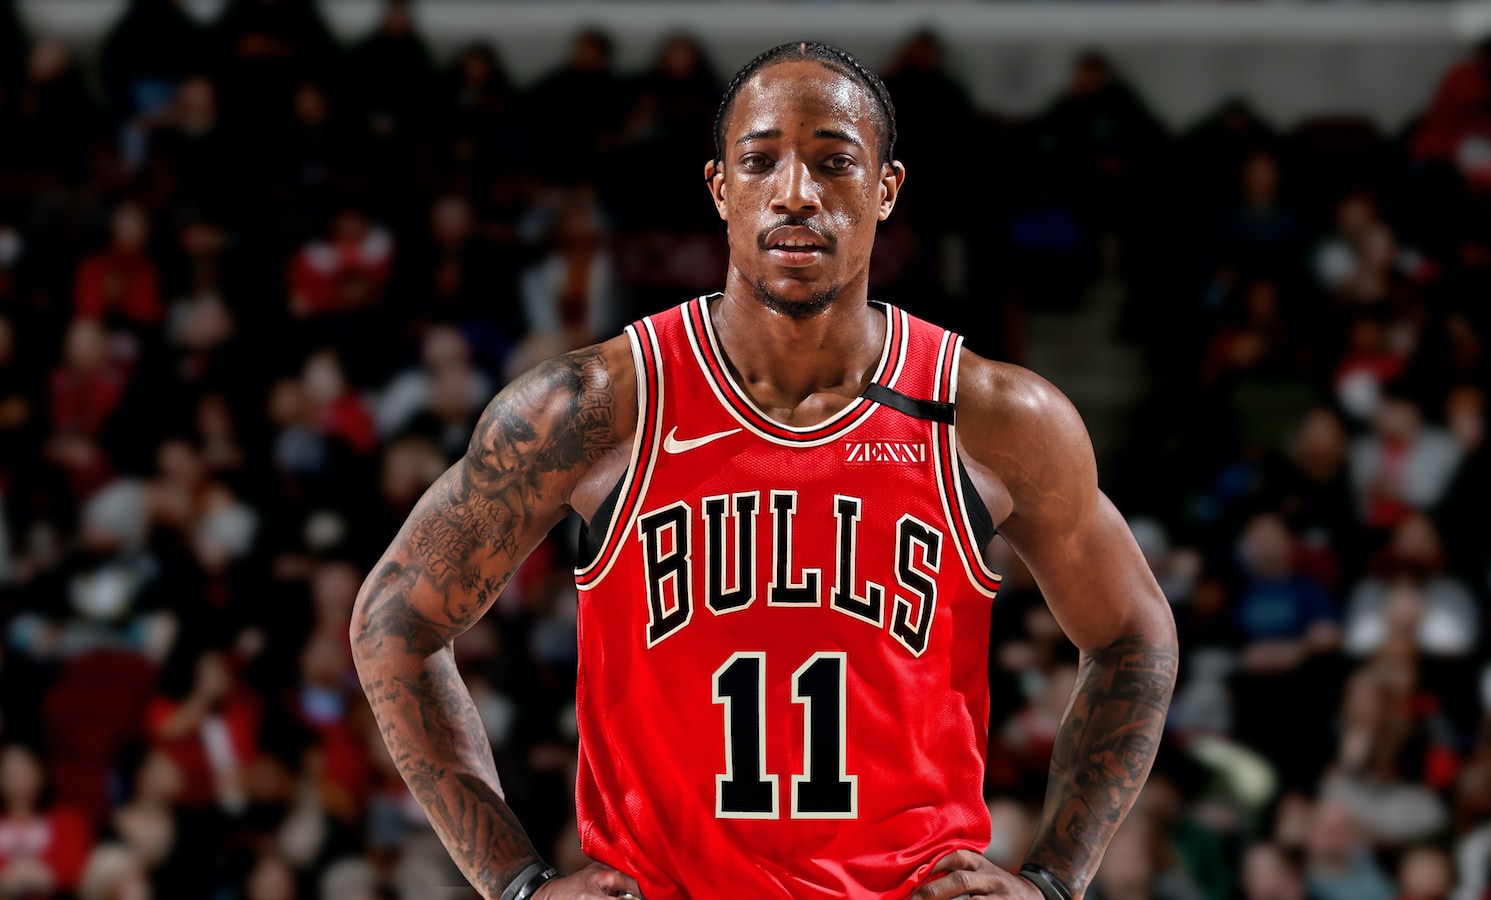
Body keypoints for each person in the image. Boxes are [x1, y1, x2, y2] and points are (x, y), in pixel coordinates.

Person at [351, 41, 1177, 900]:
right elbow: (391, 624)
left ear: (886, 190)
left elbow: (1133, 635)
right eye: (760, 161)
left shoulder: (995, 417)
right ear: (720, 188)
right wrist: (516, 884)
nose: (794, 192)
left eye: (833, 161)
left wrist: (1052, 882)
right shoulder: (597, 406)